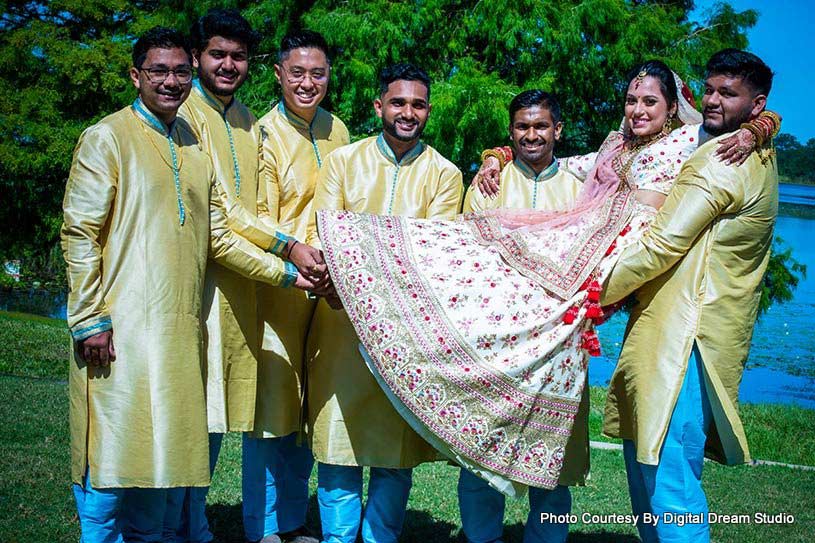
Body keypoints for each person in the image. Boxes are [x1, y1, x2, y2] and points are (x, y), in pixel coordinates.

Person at [313, 59, 777, 538]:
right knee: (485, 449)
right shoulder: (595, 155)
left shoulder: (695, 149)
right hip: (509, 338)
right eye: (632, 100)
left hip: (575, 325)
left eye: (650, 102)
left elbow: (663, 235)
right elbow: (468, 245)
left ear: (558, 129)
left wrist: (765, 125)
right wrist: (495, 157)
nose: (639, 110)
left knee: (575, 467)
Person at [62, 27, 315, 542]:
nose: (171, 81)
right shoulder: (107, 137)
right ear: (136, 76)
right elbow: (80, 231)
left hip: (179, 331)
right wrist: (90, 319)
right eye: (160, 70)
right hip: (119, 327)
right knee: (110, 462)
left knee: (162, 461)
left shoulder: (190, 144)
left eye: (178, 71)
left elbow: (221, 229)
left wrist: (289, 271)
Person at [162, 11, 328, 543]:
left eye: (237, 57)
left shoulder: (245, 120)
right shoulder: (185, 114)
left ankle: (208, 524)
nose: (228, 65)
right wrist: (288, 254)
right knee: (203, 411)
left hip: (272, 286)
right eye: (217, 55)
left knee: (248, 412)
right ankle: (186, 527)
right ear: (195, 58)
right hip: (210, 280)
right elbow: (226, 214)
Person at [600, 49, 778, 543]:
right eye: (711, 89)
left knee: (668, 478)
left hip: (684, 338)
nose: (715, 101)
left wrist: (590, 295)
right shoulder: (753, 149)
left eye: (729, 93)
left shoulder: (722, 162)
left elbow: (660, 246)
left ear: (758, 104)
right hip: (679, 326)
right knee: (649, 466)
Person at [305, 63, 463, 543]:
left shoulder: (445, 175)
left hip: (405, 336)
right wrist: (351, 272)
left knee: (394, 456)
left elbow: (431, 252)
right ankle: (337, 538)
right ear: (379, 106)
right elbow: (326, 233)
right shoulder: (343, 162)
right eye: (398, 102)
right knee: (338, 445)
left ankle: (381, 539)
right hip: (340, 325)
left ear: (428, 112)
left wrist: (366, 251)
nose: (407, 113)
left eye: (417, 104)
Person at [459, 89, 587, 543]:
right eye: (522, 127)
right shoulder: (487, 185)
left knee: (554, 467)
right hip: (496, 342)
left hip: (561, 348)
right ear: (510, 133)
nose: (532, 135)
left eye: (541, 126)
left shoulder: (581, 190)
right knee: (481, 457)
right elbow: (469, 259)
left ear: (558, 130)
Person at [242, 29, 350, 543]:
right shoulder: (263, 134)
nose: (308, 83)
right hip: (280, 285)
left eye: (318, 73)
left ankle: (292, 522)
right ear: (279, 74)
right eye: (298, 73)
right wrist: (294, 258)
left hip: (331, 288)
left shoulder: (339, 130)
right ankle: (263, 528)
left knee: (309, 409)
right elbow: (258, 219)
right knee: (272, 411)